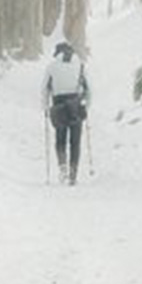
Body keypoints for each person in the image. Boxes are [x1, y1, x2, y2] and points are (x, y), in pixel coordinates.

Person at [41, 41, 90, 185]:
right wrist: (87, 105)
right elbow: (89, 89)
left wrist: (45, 107)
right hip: (75, 105)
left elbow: (44, 89)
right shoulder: (80, 66)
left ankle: (62, 166)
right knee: (75, 142)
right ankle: (73, 174)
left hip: (58, 105)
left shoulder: (51, 67)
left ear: (57, 54)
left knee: (60, 139)